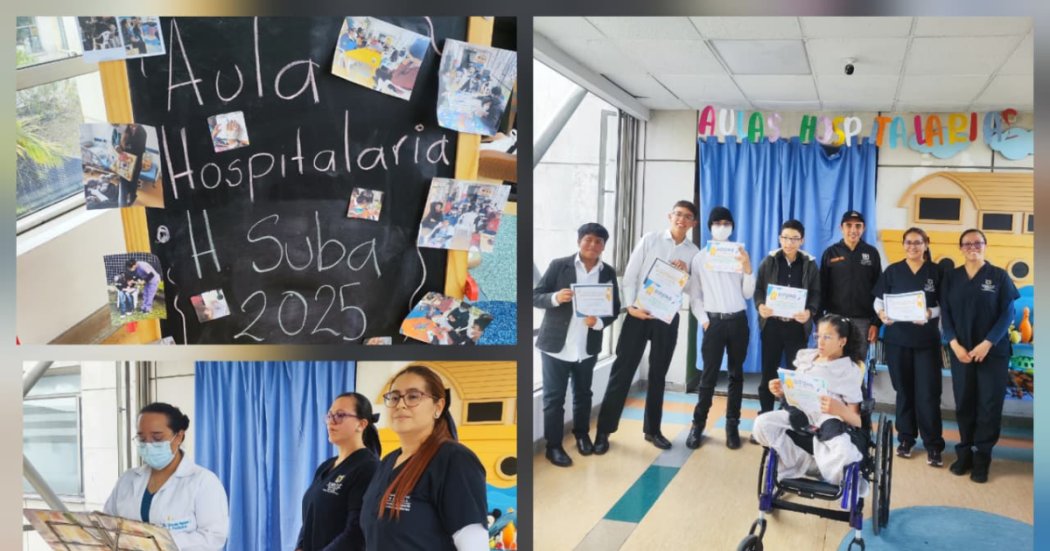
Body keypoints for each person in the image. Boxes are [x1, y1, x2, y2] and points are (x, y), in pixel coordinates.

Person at [594, 201, 701, 453]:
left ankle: (653, 431)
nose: (681, 220)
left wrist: (685, 274)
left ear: (693, 223)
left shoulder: (693, 252)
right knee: (622, 373)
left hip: (667, 317)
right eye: (677, 214)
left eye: (687, 217)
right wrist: (631, 306)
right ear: (669, 215)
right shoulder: (650, 239)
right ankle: (603, 432)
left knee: (658, 376)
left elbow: (691, 290)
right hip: (638, 314)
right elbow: (630, 276)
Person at [361, 365, 488, 550]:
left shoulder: (454, 460)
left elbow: (474, 545)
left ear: (438, 406)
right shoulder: (387, 462)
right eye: (394, 397)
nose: (400, 404)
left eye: (413, 396)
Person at [534, 223, 621, 466]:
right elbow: (535, 296)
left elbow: (614, 309)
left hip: (587, 346)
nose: (593, 245)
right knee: (554, 398)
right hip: (556, 346)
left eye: (599, 241)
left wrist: (598, 323)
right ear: (579, 241)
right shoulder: (559, 264)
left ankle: (582, 435)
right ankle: (553, 447)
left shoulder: (607, 272)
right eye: (588, 240)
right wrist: (555, 297)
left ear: (604, 245)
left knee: (583, 394)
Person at [941, 229, 1019, 483]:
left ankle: (982, 457)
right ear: (961, 248)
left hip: (992, 353)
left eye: (977, 243)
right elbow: (946, 313)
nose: (972, 247)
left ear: (985, 246)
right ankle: (964, 453)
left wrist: (988, 343)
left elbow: (1008, 313)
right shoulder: (951, 278)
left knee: (988, 405)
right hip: (961, 352)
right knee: (964, 402)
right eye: (967, 244)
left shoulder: (999, 276)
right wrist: (954, 344)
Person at [752, 315, 866, 488]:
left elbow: (857, 421)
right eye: (818, 336)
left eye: (827, 337)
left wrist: (839, 410)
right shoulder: (807, 358)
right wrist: (782, 390)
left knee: (845, 453)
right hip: (799, 413)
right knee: (761, 424)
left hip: (829, 420)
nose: (820, 342)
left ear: (842, 341)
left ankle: (824, 469)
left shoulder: (848, 370)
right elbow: (793, 390)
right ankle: (805, 462)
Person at [104, 403, 229, 550]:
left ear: (178, 437)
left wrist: (157, 543)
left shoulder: (203, 482)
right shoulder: (128, 479)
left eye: (157, 438)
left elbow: (213, 537)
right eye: (142, 440)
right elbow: (106, 524)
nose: (149, 445)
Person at [872, 228, 946, 465]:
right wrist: (882, 313)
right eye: (908, 242)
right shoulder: (893, 271)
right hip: (897, 341)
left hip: (926, 342)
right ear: (903, 245)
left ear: (926, 244)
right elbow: (878, 300)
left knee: (927, 393)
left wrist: (929, 312)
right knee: (903, 391)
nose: (912, 246)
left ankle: (933, 444)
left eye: (918, 242)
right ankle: (905, 438)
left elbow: (945, 305)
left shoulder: (937, 272)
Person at [685, 207, 755, 450]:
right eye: (717, 222)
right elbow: (695, 296)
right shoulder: (700, 258)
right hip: (713, 322)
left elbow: (748, 293)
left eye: (727, 223)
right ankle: (698, 424)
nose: (722, 226)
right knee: (709, 377)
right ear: (710, 226)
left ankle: (732, 424)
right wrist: (705, 320)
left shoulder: (740, 254)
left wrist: (747, 268)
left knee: (736, 375)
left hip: (738, 320)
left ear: (732, 227)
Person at [753, 220, 821, 442]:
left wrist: (810, 311)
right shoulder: (769, 261)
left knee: (795, 376)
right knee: (768, 373)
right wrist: (760, 306)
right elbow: (759, 290)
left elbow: (816, 294)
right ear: (779, 238)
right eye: (785, 237)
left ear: (802, 240)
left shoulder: (810, 264)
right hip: (772, 326)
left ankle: (793, 421)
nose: (788, 242)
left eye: (794, 238)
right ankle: (764, 418)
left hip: (796, 328)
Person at [296, 393, 381, 551]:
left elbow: (357, 532)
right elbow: (309, 517)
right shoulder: (325, 466)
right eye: (330, 415)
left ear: (361, 424)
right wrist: (299, 547)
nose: (331, 422)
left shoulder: (369, 468)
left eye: (340, 415)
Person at [819, 211, 882, 361]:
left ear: (864, 229)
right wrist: (820, 320)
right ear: (841, 228)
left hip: (863, 322)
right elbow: (822, 288)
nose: (853, 230)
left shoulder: (872, 254)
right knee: (832, 363)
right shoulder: (830, 253)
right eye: (849, 225)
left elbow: (880, 289)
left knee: (857, 366)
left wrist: (876, 324)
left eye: (858, 226)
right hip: (834, 320)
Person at [116, 124, 147, 207]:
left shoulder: (142, 132)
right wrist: (118, 148)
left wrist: (128, 152)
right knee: (123, 182)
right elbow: (121, 145)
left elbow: (140, 150)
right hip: (125, 163)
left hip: (135, 163)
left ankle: (133, 197)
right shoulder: (125, 130)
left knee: (133, 183)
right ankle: (125, 199)